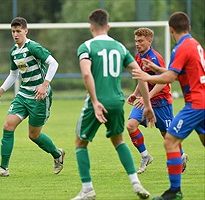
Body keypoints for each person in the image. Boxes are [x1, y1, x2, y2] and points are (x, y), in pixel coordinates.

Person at [71, 9, 156, 200]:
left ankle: (87, 189)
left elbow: (86, 74)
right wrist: (148, 106)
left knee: (80, 143)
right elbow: (140, 75)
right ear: (108, 26)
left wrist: (94, 101)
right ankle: (136, 183)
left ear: (91, 27)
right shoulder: (120, 47)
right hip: (118, 102)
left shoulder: (86, 46)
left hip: (99, 100)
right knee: (119, 140)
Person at [132, 12, 205, 200]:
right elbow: (178, 72)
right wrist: (157, 70)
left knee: (170, 140)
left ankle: (174, 191)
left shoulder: (181, 47)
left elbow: (170, 78)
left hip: (196, 104)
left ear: (171, 30)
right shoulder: (195, 44)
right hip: (201, 100)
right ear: (188, 28)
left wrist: (148, 76)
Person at [0, 17, 65, 177]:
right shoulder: (14, 52)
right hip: (23, 94)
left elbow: (54, 63)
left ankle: (57, 154)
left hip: (39, 96)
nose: (15, 34)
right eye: (13, 31)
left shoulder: (33, 47)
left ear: (25, 31)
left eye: (18, 31)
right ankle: (4, 168)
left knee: (34, 135)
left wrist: (44, 85)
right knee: (8, 126)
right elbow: (13, 74)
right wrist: (0, 91)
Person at [126, 28, 188, 174]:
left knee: (167, 136)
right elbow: (142, 79)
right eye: (136, 41)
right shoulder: (138, 57)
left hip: (161, 103)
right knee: (130, 126)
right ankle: (145, 156)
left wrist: (147, 97)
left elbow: (163, 82)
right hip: (145, 100)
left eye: (140, 41)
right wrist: (136, 94)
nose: (137, 44)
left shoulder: (155, 58)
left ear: (149, 41)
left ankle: (181, 156)